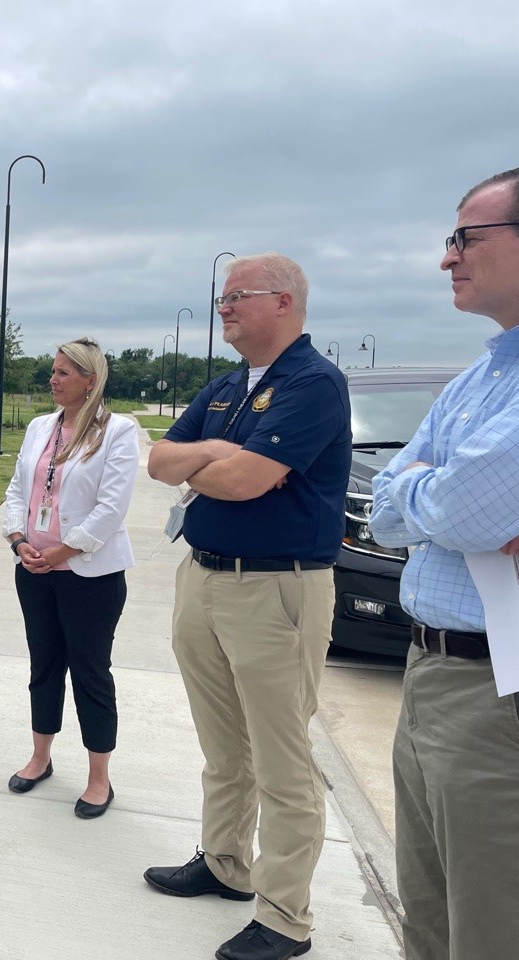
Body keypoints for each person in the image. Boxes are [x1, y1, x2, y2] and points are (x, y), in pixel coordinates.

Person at [144, 253, 350, 960]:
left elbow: (245, 483)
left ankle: (285, 916)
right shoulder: (229, 387)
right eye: (221, 297)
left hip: (276, 589)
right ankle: (226, 862)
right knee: (222, 745)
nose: (222, 307)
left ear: (284, 302)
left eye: (237, 296)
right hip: (202, 579)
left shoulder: (314, 383)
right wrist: (212, 449)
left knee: (282, 758)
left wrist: (212, 460)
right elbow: (158, 461)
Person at [368, 168, 519, 960]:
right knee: (425, 911)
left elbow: (466, 510)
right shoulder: (480, 377)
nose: (446, 258)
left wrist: (431, 493)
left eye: (466, 237)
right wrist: (438, 492)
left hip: (495, 692)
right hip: (427, 670)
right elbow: (388, 511)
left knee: (486, 923)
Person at [2, 337, 138, 818]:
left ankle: (99, 778)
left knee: (89, 672)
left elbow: (111, 507)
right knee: (44, 665)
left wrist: (62, 549)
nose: (53, 379)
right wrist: (19, 540)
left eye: (63, 372)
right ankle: (40, 757)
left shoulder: (117, 431)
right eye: (53, 370)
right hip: (34, 569)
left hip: (88, 575)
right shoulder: (41, 426)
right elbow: (19, 488)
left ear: (89, 380)